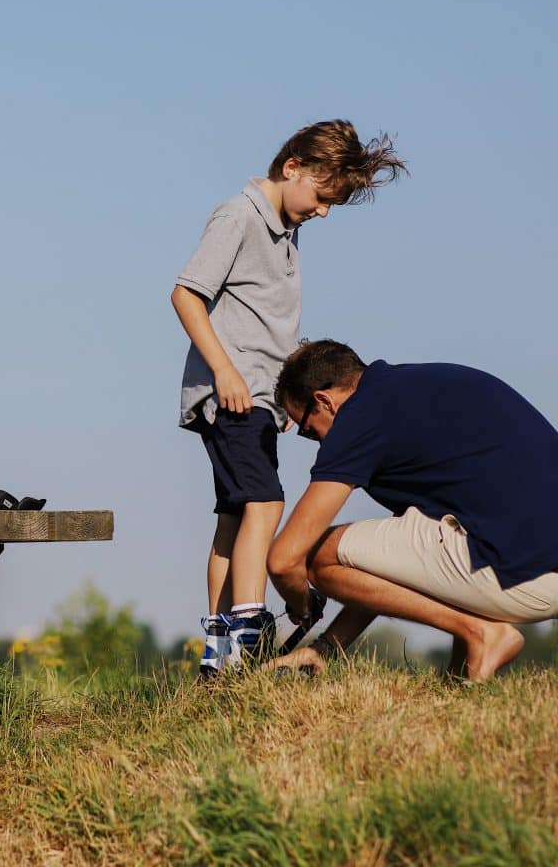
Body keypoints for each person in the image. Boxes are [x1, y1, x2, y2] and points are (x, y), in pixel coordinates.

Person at [171, 121, 406, 677]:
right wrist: (226, 373)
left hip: (258, 397)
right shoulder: (239, 216)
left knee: (234, 518)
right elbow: (185, 295)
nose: (324, 212)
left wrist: (283, 398)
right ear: (292, 167)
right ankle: (249, 630)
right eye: (322, 198)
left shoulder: (284, 229)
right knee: (266, 503)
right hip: (234, 392)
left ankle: (219, 653)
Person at [266, 340, 558, 681]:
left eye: (307, 430)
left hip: (524, 574)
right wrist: (328, 646)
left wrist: (303, 606)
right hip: (533, 560)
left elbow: (283, 560)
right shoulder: (415, 389)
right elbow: (391, 567)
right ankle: (463, 670)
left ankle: (483, 634)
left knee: (319, 556)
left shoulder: (359, 417)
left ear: (324, 401)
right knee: (434, 533)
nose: (318, 442)